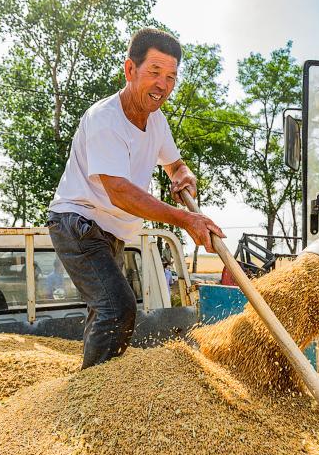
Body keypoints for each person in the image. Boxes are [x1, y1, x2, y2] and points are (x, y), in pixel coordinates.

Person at [47, 27, 223, 369]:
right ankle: (92, 394)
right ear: (131, 70)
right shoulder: (105, 120)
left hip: (110, 230)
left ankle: (91, 378)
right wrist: (186, 218)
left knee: (106, 310)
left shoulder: (156, 121)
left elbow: (175, 164)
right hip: (78, 221)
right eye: (154, 73)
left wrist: (182, 174)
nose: (163, 85)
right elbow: (120, 192)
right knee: (117, 308)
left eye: (171, 77)